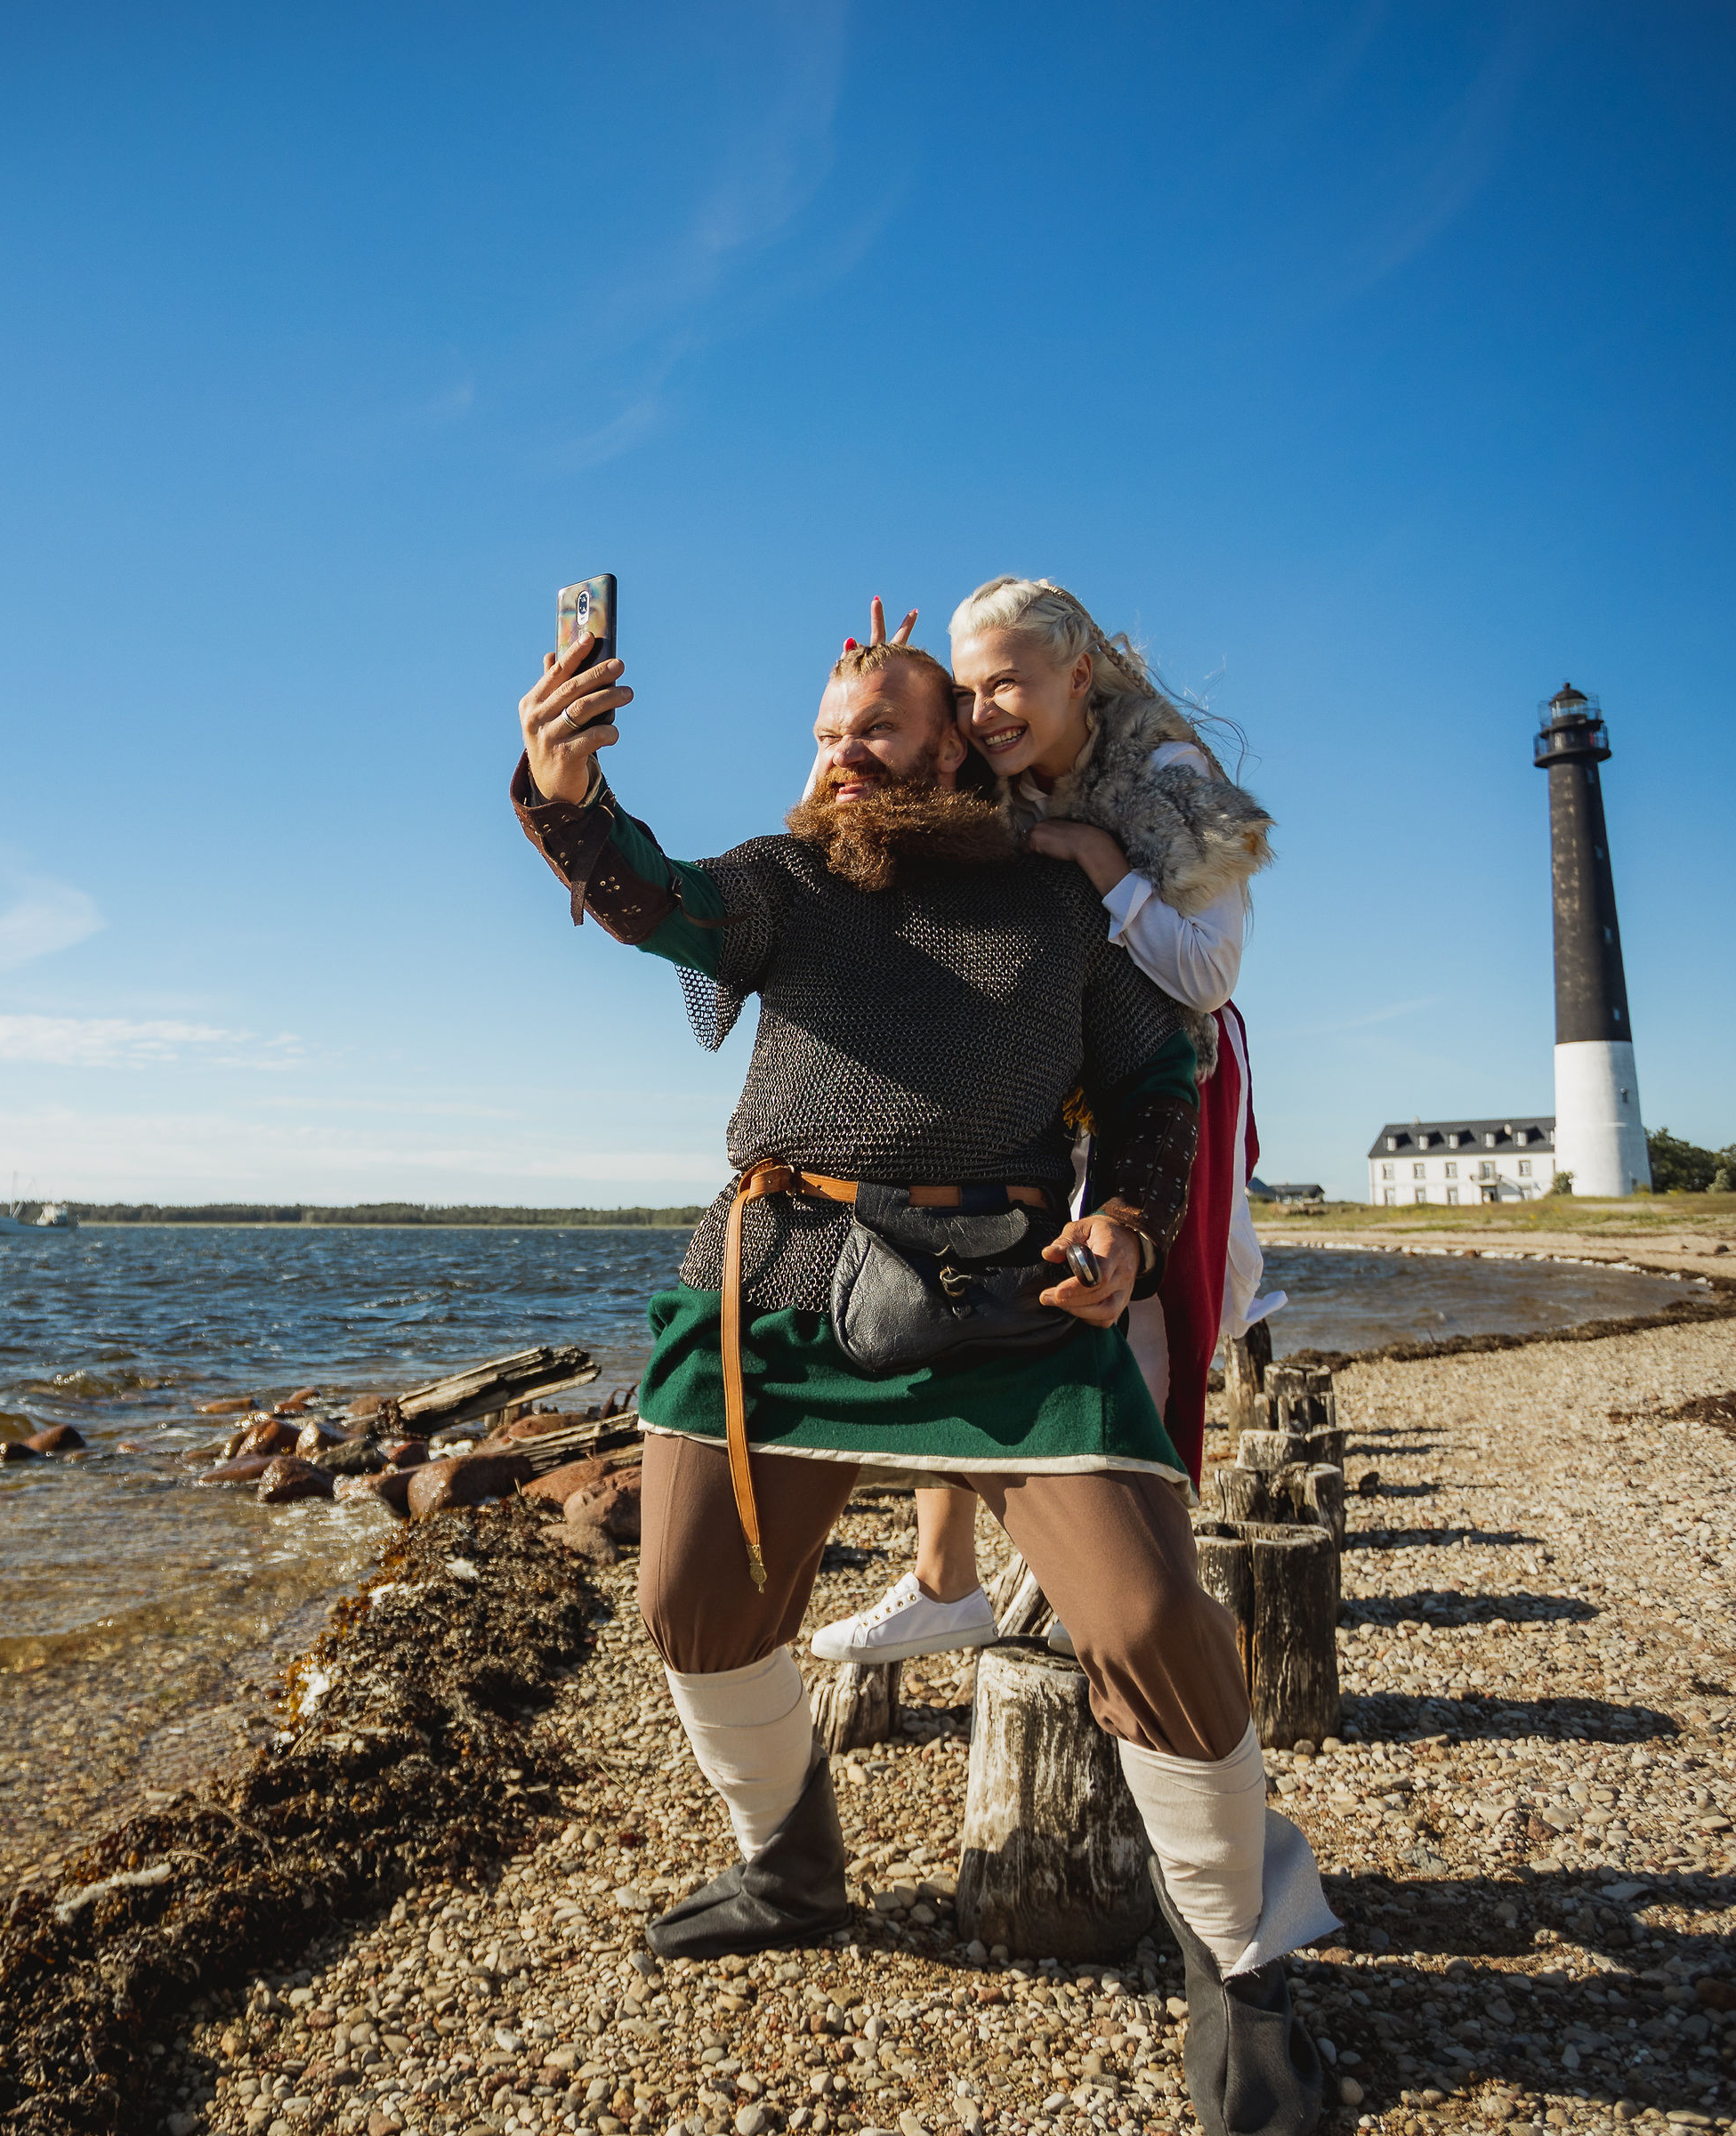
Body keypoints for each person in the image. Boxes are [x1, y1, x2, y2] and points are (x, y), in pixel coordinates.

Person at [509, 625, 1334, 2135]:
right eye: (830, 729)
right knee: (693, 1606)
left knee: (1156, 1620)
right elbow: (661, 903)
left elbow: (1166, 1076)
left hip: (1012, 1297)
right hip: (774, 1285)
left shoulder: (1055, 902)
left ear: (954, 746)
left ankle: (1245, 1963)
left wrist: (1132, 1223)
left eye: (878, 726)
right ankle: (791, 1868)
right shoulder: (789, 877)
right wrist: (566, 800)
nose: (843, 751)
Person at [808, 581, 1275, 1669]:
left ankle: (1134, 1583)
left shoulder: (1164, 776)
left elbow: (1207, 977)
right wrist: (867, 701)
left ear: (1080, 674)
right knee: (960, 1283)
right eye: (968, 691)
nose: (984, 713)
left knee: (1139, 1311)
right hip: (1031, 1066)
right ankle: (942, 1582)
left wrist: (1101, 864)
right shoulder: (985, 767)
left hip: (1164, 1076)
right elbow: (845, 832)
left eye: (1008, 681)